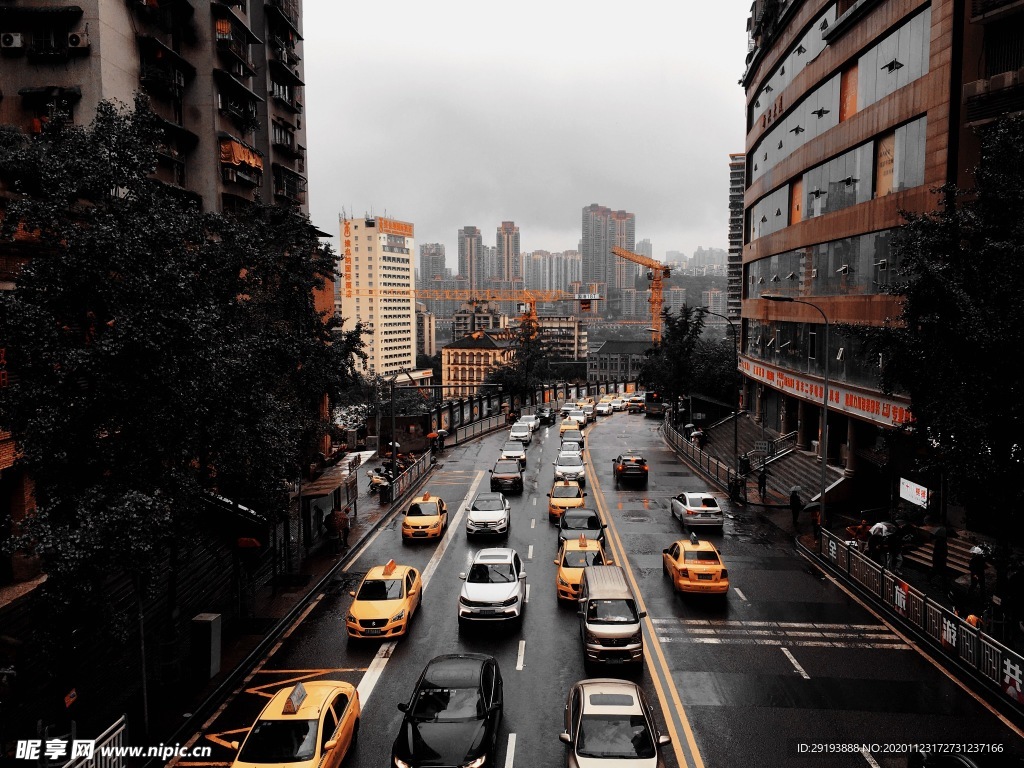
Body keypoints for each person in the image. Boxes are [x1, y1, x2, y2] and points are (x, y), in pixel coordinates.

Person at [929, 527, 950, 592]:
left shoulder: (938, 542)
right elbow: (944, 552)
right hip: (940, 560)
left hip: (938, 559)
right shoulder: (942, 543)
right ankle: (943, 586)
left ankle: (930, 578)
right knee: (941, 573)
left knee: (937, 571)